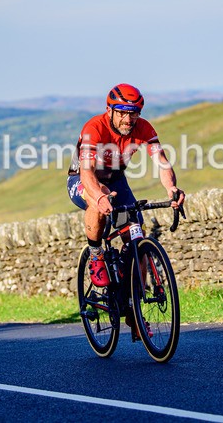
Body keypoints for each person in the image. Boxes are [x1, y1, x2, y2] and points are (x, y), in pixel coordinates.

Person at [67, 84, 185, 334]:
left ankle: (134, 311)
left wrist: (172, 188)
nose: (128, 118)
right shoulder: (94, 128)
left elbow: (162, 163)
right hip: (83, 179)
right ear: (109, 110)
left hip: (116, 179)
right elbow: (87, 172)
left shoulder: (143, 128)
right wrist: (98, 196)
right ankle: (96, 254)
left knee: (136, 238)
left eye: (133, 112)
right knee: (96, 203)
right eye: (121, 112)